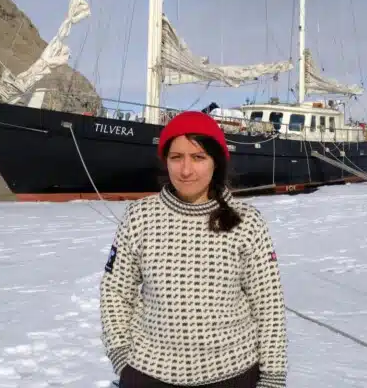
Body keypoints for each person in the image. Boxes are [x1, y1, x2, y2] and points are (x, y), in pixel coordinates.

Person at [100, 110, 288, 388]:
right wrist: (121, 357)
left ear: (216, 162)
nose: (186, 170)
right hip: (149, 373)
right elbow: (115, 291)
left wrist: (272, 376)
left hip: (233, 374)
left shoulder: (246, 221)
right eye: (177, 157)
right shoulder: (139, 217)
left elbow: (268, 305)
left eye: (198, 157)